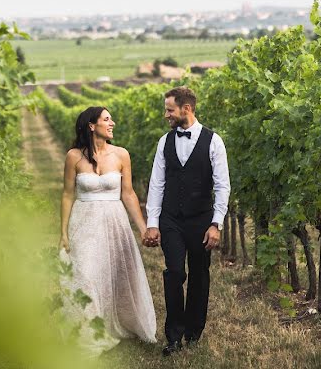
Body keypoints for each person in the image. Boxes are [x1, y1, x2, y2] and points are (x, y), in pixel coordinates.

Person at [59, 106, 157, 355]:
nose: (112, 123)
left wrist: (144, 228)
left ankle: (120, 322)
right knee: (87, 274)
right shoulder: (73, 156)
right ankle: (89, 332)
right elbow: (68, 195)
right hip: (84, 221)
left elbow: (129, 193)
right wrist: (63, 231)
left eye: (111, 118)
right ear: (92, 126)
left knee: (116, 275)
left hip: (114, 221)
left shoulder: (121, 154)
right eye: (106, 119)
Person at [142, 86, 230, 356]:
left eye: (170, 109)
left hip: (202, 220)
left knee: (200, 276)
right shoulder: (164, 142)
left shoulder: (213, 141)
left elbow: (222, 185)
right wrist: (152, 222)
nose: (166, 114)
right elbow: (156, 184)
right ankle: (173, 335)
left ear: (186, 109)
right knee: (175, 272)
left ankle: (194, 332)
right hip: (171, 219)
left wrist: (216, 224)